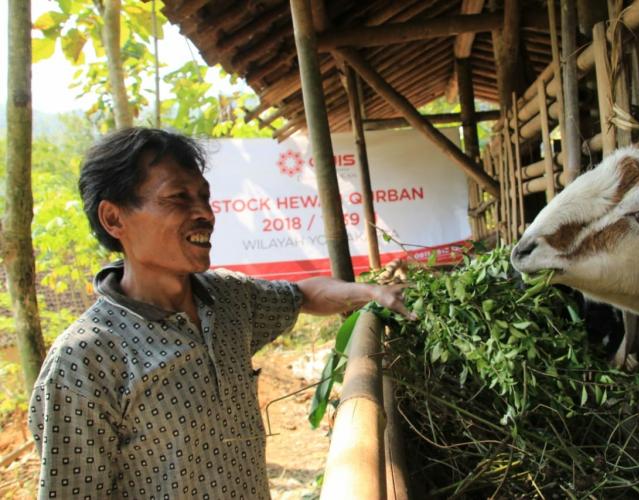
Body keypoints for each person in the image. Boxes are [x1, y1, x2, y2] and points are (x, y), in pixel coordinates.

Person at [28, 127, 414, 499]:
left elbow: (303, 295)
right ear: (114, 219)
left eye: (204, 197)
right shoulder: (84, 360)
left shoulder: (228, 299)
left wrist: (371, 292)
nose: (205, 213)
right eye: (178, 198)